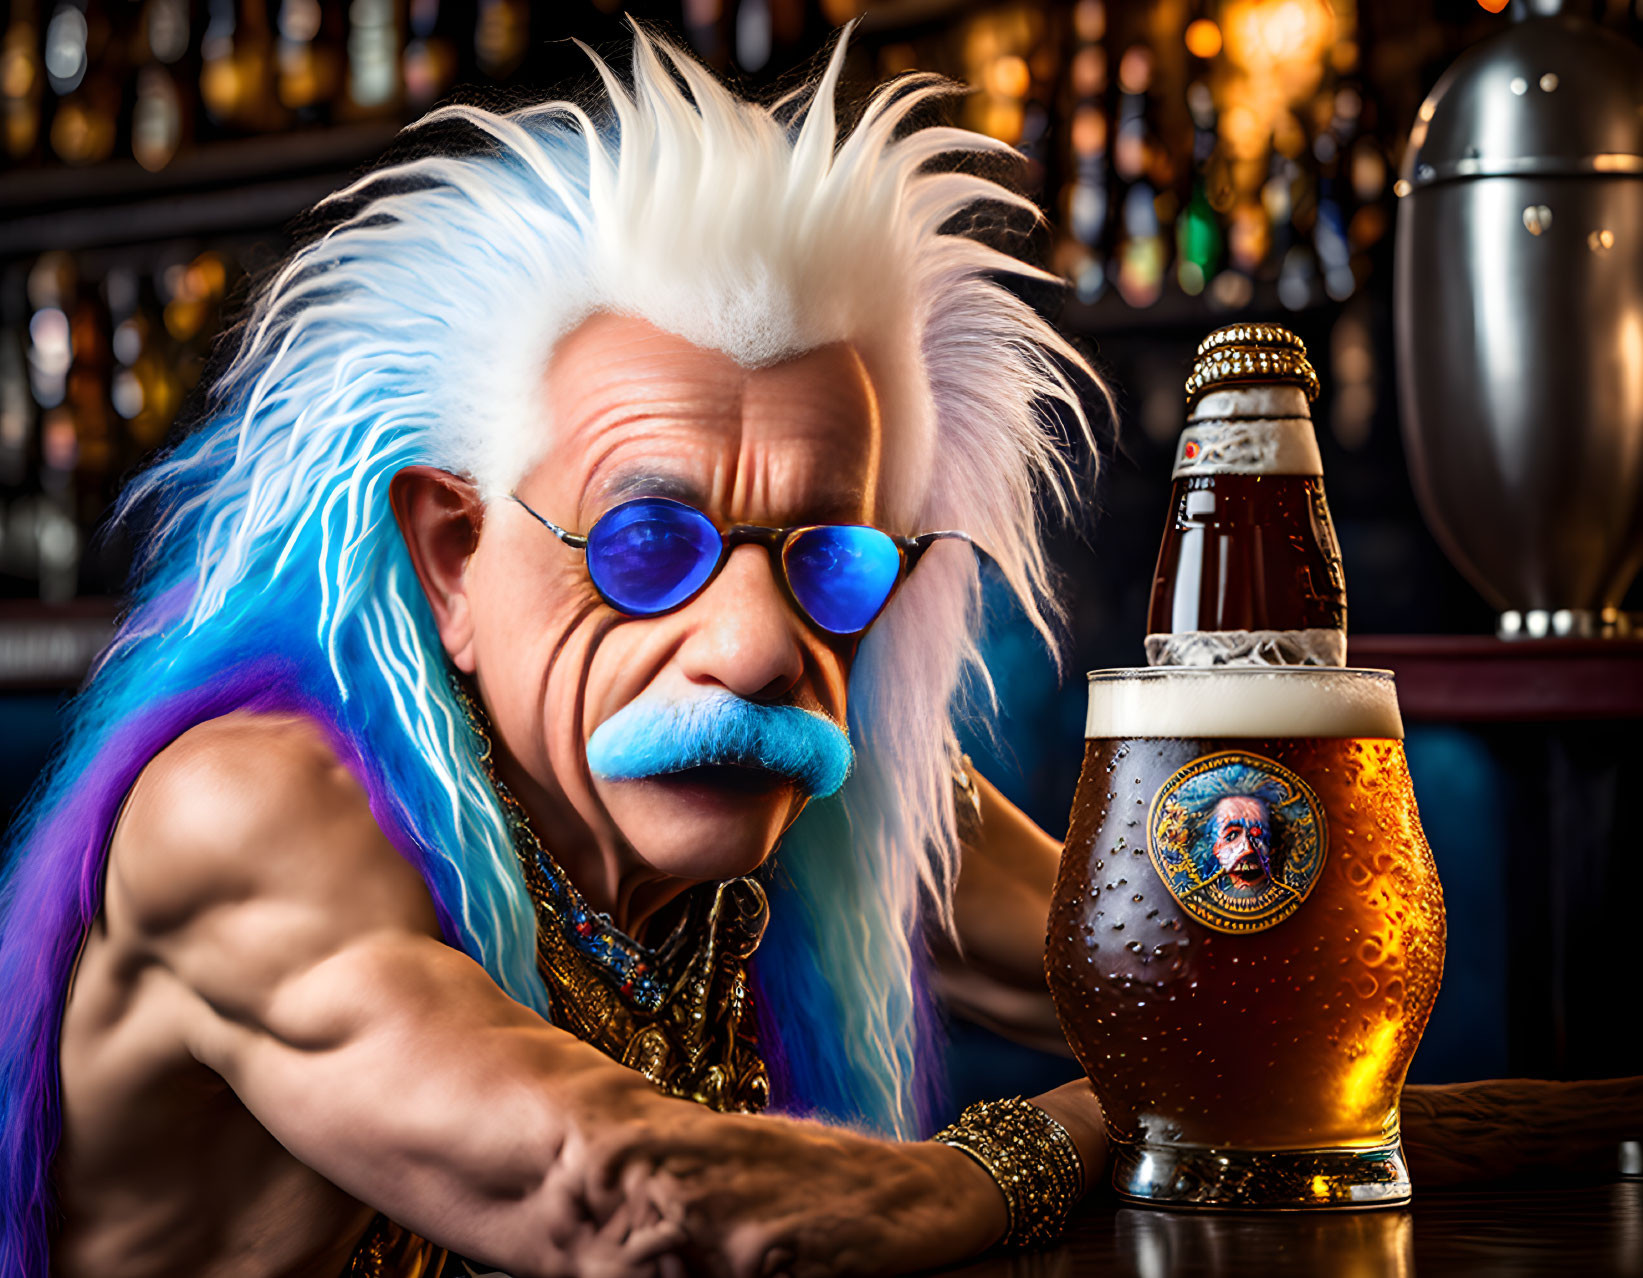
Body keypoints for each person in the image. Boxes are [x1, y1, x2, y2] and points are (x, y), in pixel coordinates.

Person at [0, 26, 1104, 1278]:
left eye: (827, 559)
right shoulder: (249, 814)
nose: (751, 649)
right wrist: (1062, 1144)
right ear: (454, 557)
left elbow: (1204, 994)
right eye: (644, 546)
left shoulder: (791, 773)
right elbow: (627, 1204)